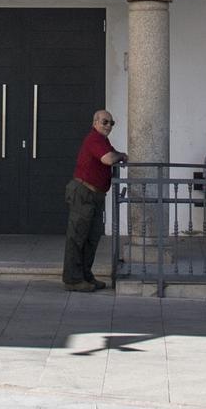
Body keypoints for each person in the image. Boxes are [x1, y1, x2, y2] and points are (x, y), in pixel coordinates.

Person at [64, 108, 124, 291]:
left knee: (92, 238)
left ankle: (86, 276)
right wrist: (122, 156)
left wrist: (118, 155)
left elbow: (111, 155)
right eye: (104, 122)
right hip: (83, 192)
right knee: (77, 237)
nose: (108, 126)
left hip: (96, 195)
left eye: (111, 123)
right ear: (95, 123)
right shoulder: (94, 139)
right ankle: (73, 280)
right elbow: (108, 159)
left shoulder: (104, 140)